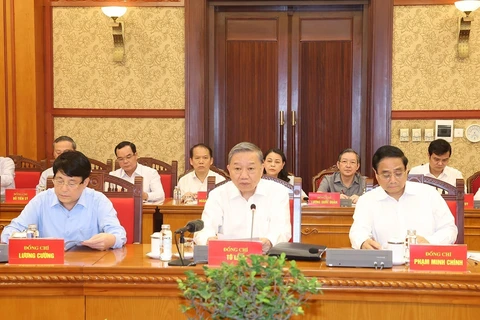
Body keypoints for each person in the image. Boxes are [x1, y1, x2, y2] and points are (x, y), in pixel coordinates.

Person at [1, 151, 126, 250]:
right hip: (49, 269)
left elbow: (118, 234)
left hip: (87, 270)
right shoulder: (41, 200)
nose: (64, 189)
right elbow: (10, 231)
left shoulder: (98, 201)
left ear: (85, 183)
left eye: (72, 183)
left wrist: (110, 240)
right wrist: (17, 237)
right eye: (59, 181)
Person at [349, 145, 457, 250]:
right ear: (376, 174)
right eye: (386, 175)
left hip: (424, 261)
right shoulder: (367, 200)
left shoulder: (429, 194)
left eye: (398, 173)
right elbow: (358, 231)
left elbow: (449, 229)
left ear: (406, 171)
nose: (393, 180)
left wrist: (429, 242)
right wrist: (363, 242)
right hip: (386, 264)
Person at [194, 142, 291, 253]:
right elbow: (204, 229)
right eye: (238, 169)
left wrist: (269, 241)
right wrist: (208, 239)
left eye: (250, 168)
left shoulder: (277, 192)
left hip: (266, 260)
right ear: (229, 170)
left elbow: (283, 230)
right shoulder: (218, 194)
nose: (244, 176)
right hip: (226, 261)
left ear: (261, 168)